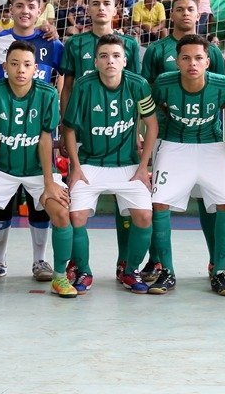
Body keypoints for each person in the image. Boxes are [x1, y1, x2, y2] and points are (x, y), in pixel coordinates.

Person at [0, 41, 72, 298]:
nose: (20, 69)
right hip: (1, 170)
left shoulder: (47, 94)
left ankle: (60, 277)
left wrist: (49, 182)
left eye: (27, 65)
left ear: (35, 68)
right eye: (14, 64)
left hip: (37, 170)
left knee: (62, 213)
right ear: (5, 66)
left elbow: (44, 139)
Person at [0, 0, 65, 283]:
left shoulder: (51, 41)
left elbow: (64, 74)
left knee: (41, 204)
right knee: (3, 205)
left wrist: (60, 118)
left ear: (40, 10)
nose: (26, 10)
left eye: (32, 6)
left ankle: (41, 261)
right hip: (6, 130)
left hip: (38, 127)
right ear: (10, 8)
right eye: (20, 5)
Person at [140, 0, 225, 282]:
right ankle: (158, 264)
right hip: (169, 137)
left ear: (197, 14)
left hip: (208, 140)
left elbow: (221, 94)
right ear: (171, 14)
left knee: (212, 201)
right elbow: (148, 93)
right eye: (180, 9)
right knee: (159, 201)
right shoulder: (157, 50)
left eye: (191, 9)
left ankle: (218, 265)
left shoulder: (211, 52)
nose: (186, 13)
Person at [62, 34, 158, 294]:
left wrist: (143, 166)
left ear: (125, 60)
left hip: (128, 164)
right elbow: (68, 128)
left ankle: (130, 270)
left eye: (116, 56)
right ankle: (83, 270)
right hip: (90, 163)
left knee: (144, 215)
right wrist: (76, 167)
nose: (110, 61)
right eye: (104, 56)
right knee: (76, 215)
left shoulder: (138, 85)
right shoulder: (83, 86)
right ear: (96, 61)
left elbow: (152, 125)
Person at [148, 35, 225, 296]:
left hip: (211, 146)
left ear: (208, 61)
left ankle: (219, 271)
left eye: (198, 58)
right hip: (174, 145)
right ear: (177, 61)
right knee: (159, 203)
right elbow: (154, 110)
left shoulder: (223, 85)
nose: (192, 63)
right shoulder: (164, 84)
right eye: (186, 58)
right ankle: (167, 271)